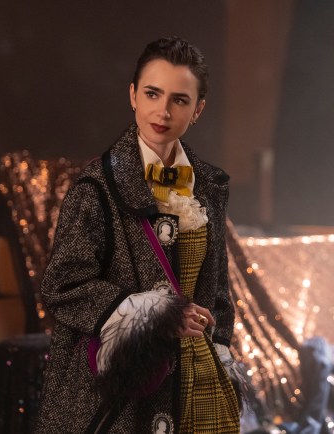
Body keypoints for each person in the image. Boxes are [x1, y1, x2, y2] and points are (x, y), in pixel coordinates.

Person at [35, 36, 241, 434]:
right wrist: (156, 315)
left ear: (198, 109)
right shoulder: (96, 187)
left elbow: (217, 290)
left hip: (196, 380)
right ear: (132, 95)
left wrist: (219, 345)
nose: (162, 111)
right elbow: (62, 285)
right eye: (152, 93)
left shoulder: (208, 185)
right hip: (121, 388)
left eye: (179, 100)